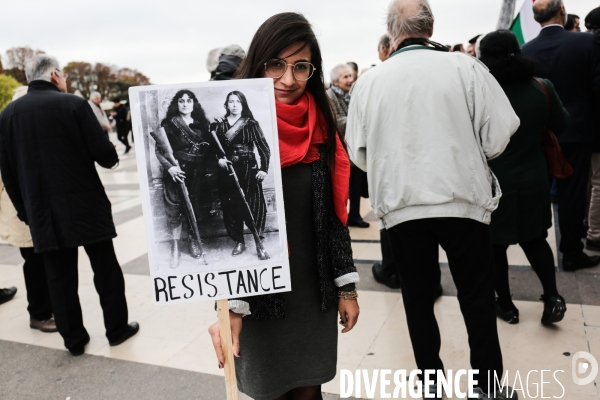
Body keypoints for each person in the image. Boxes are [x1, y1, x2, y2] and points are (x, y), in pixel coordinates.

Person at [346, 1, 520, 398]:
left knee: (417, 299)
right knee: (476, 295)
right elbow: (499, 135)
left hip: (403, 205)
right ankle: (488, 386)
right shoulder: (466, 67)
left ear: (392, 33)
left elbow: (360, 154)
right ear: (431, 27)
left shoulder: (370, 82)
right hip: (462, 200)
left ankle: (431, 383)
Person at [208, 12, 359, 400]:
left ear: (314, 70)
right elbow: (224, 233)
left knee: (309, 392)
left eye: (300, 67)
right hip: (256, 296)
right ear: (258, 63)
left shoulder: (323, 127)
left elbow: (333, 219)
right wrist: (231, 307)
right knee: (266, 389)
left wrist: (347, 286)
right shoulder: (229, 128)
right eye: (276, 64)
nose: (288, 79)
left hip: (313, 292)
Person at [0, 54, 139, 356]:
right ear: (54, 76)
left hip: (42, 211)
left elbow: (8, 171)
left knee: (59, 278)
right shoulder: (74, 104)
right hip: (85, 204)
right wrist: (112, 152)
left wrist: (25, 212)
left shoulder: (8, 114)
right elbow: (104, 155)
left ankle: (74, 340)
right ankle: (116, 329)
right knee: (105, 271)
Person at [479, 30, 569, 326]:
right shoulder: (542, 87)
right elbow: (562, 124)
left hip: (494, 180)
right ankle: (553, 296)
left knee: (495, 247)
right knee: (536, 240)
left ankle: (506, 306)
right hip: (534, 176)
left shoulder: (483, 95)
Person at [522, 0, 600, 271]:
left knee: (539, 193)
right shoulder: (586, 43)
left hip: (540, 133)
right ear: (562, 12)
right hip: (577, 131)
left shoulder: (526, 50)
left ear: (535, 18)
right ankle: (571, 252)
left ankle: (537, 249)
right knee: (573, 195)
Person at [156, 89, 216, 268]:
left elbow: (211, 150)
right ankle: (175, 247)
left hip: (197, 172)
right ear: (177, 104)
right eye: (181, 101)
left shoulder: (202, 125)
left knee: (194, 207)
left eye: (188, 100)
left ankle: (193, 241)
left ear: (193, 103)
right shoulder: (168, 125)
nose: (185, 104)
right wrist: (171, 168)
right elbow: (159, 151)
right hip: (176, 172)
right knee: (174, 209)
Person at [210, 91, 271, 259]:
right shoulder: (218, 126)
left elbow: (264, 148)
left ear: (243, 104)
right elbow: (213, 151)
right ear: (226, 105)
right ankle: (239, 241)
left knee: (256, 206)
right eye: (231, 101)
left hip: (249, 170)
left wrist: (263, 169)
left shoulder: (251, 124)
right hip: (228, 171)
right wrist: (219, 161)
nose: (235, 104)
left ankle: (259, 242)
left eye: (238, 101)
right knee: (231, 207)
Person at [326, 64, 368, 229]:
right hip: (340, 149)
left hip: (354, 147)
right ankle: (340, 218)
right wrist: (358, 120)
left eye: (351, 76)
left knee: (356, 186)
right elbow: (334, 122)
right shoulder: (329, 96)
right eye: (345, 77)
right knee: (341, 187)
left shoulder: (353, 95)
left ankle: (355, 215)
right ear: (335, 81)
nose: (350, 80)